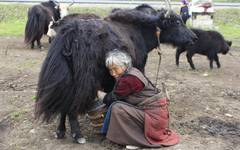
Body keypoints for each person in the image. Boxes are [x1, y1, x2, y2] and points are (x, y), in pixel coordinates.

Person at [97, 49, 179, 149]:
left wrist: (98, 93)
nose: (113, 73)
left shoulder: (128, 79)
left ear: (124, 65)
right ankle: (107, 133)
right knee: (118, 106)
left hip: (154, 118)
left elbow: (112, 98)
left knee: (118, 108)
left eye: (115, 69)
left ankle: (135, 140)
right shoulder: (133, 71)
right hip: (157, 115)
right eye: (110, 70)